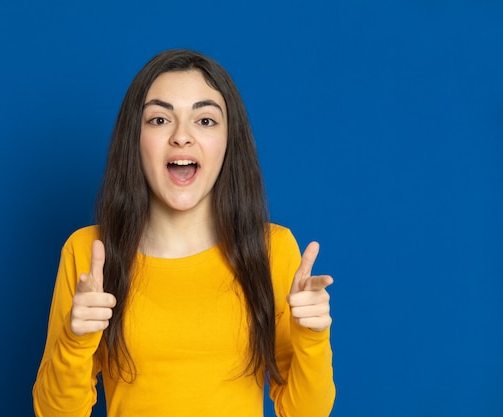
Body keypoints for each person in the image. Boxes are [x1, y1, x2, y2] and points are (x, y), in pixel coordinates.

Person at [32, 49, 335, 417]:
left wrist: (313, 338)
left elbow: (306, 412)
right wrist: (75, 342)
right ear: (135, 138)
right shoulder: (89, 252)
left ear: (228, 141)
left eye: (205, 121)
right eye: (159, 120)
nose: (182, 137)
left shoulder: (272, 249)